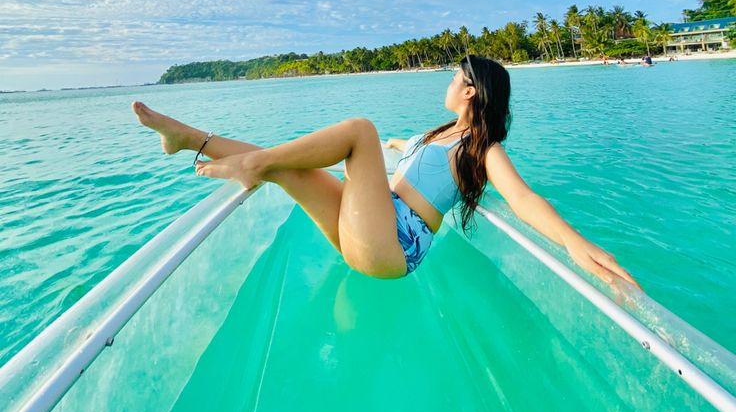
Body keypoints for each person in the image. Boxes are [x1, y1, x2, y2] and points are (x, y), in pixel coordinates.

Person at [131, 54, 642, 290]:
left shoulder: (484, 148)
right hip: (373, 227)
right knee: (289, 167)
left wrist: (575, 243)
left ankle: (251, 165)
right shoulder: (438, 134)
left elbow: (524, 200)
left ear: (470, 91)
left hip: (395, 245)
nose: (449, 80)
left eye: (455, 77)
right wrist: (401, 145)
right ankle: (188, 136)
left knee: (360, 130)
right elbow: (404, 151)